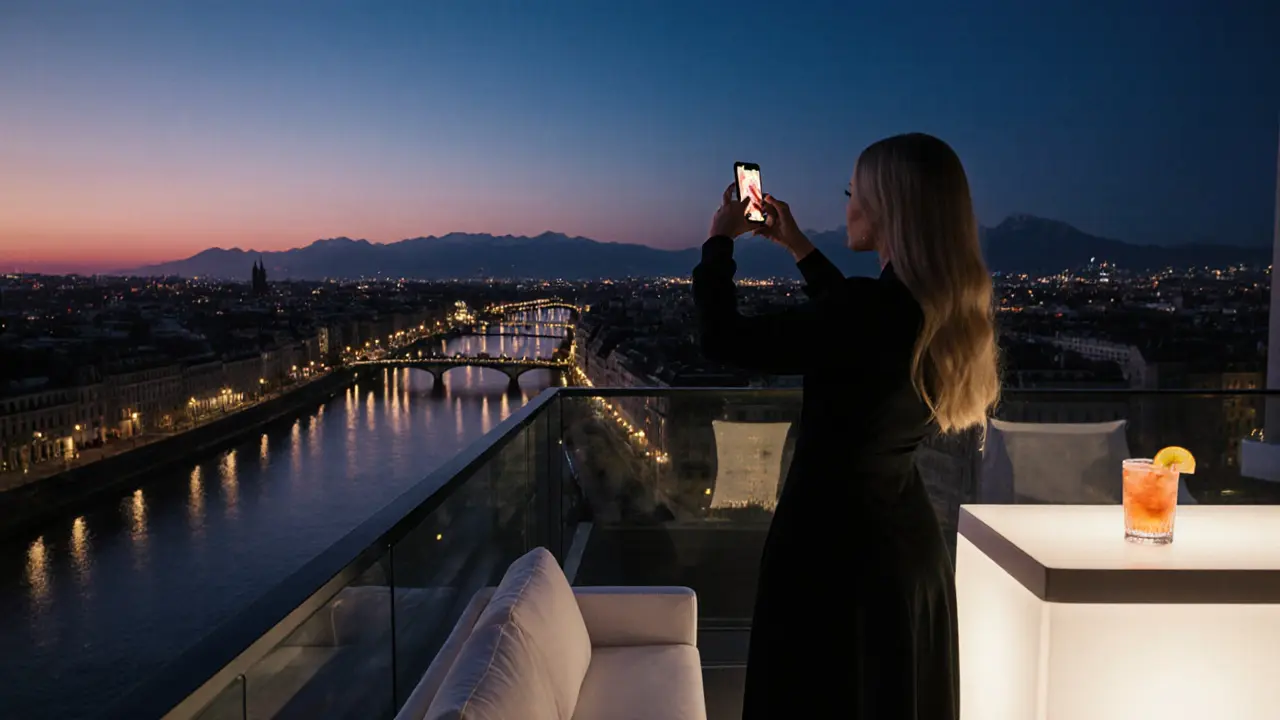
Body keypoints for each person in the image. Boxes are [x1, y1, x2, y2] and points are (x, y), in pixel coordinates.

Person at [692, 133, 1000, 719]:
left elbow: (722, 337)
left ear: (888, 209)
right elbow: (855, 323)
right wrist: (796, 244)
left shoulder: (869, 315)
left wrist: (718, 240)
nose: (847, 207)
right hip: (908, 553)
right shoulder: (934, 308)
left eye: (852, 193)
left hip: (831, 561)